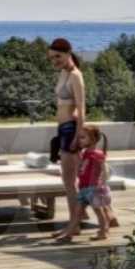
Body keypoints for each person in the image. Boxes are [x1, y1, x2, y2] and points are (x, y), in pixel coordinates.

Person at [46, 38, 87, 235]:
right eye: (51, 58)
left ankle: (73, 225)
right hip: (63, 129)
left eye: (58, 56)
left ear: (68, 53)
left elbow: (81, 108)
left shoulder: (76, 76)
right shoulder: (63, 73)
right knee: (72, 179)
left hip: (71, 130)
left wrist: (77, 136)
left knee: (69, 182)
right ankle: (79, 219)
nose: (54, 61)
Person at [60, 123, 117, 242]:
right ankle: (69, 234)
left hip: (93, 188)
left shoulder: (98, 154)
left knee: (99, 211)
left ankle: (103, 231)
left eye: (83, 137)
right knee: (77, 212)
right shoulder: (85, 152)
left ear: (93, 139)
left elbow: (104, 169)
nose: (79, 140)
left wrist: (102, 182)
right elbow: (83, 167)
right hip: (83, 188)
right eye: (79, 137)